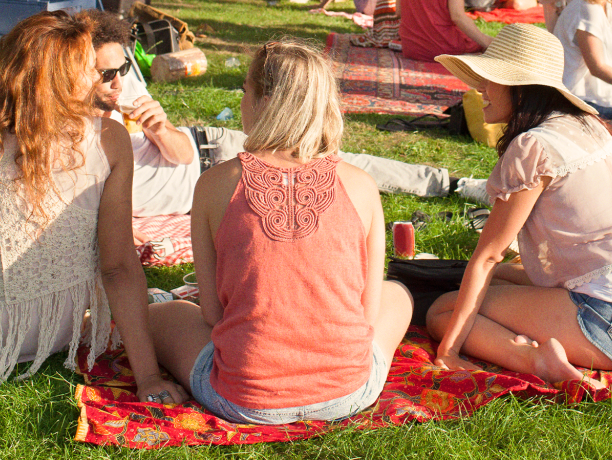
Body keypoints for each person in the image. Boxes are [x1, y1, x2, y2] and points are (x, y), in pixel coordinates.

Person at [147, 39, 413, 424]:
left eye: (244, 90)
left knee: (164, 315)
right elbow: (368, 314)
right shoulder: (362, 184)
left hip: (244, 399)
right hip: (350, 392)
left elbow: (211, 312)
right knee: (397, 294)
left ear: (262, 101)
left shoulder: (214, 184)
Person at [0, 11, 183, 405]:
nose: (98, 78)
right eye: (89, 69)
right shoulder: (108, 139)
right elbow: (118, 266)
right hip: (59, 330)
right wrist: (149, 379)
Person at [428, 24, 612, 385]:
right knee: (495, 280)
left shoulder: (533, 147)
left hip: (611, 324)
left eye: (490, 78)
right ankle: (540, 347)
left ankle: (536, 360)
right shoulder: (587, 126)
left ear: (521, 89)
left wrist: (448, 351)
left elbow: (488, 255)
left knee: (443, 311)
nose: (480, 88)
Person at [87, 11, 470, 221]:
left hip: (209, 150)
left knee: (338, 166)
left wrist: (160, 126)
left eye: (122, 71)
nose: (120, 82)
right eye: (109, 75)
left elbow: (180, 154)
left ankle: (453, 184)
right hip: (217, 184)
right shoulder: (69, 141)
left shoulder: (117, 82)